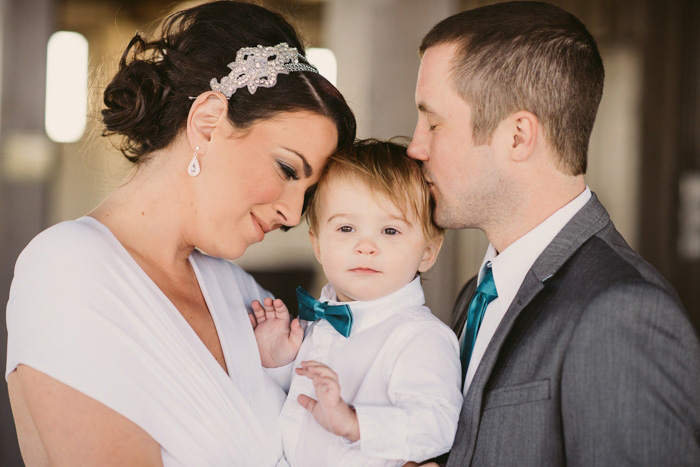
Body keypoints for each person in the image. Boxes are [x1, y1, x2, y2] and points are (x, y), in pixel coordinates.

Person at [5, 1, 356, 465]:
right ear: (208, 123)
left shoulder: (244, 296)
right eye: (288, 169)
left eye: (307, 193)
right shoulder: (68, 267)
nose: (293, 214)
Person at [406, 1, 700, 465]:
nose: (415, 146)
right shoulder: (477, 294)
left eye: (433, 122)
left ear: (518, 136)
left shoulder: (622, 315)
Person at [249, 139, 463, 466]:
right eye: (346, 228)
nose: (365, 246)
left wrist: (355, 423)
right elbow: (292, 416)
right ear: (318, 244)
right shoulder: (310, 325)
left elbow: (439, 424)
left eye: (390, 231)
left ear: (428, 252)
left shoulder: (420, 338)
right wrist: (279, 364)